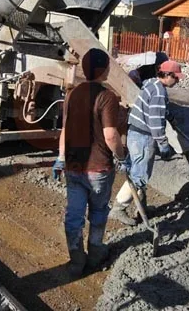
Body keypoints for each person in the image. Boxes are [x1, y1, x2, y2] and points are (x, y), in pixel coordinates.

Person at [52, 48, 129, 277]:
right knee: (98, 211)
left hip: (74, 167)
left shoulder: (72, 94)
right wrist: (122, 157)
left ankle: (77, 261)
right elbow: (110, 136)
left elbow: (65, 130)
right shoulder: (107, 97)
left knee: (74, 215)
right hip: (98, 168)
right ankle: (95, 253)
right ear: (103, 69)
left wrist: (60, 157)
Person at [109, 60, 184, 226]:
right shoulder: (159, 92)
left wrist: (169, 115)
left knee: (140, 171)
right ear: (167, 75)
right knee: (140, 175)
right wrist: (164, 145)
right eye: (176, 78)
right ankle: (118, 209)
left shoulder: (151, 83)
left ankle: (141, 207)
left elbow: (156, 108)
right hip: (144, 137)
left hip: (135, 133)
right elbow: (156, 124)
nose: (178, 81)